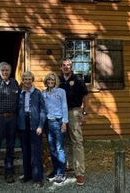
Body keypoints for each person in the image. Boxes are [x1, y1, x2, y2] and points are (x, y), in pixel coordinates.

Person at [59, 58, 90, 186]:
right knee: (65, 142)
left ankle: (80, 173)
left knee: (77, 142)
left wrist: (84, 113)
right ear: (61, 67)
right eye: (64, 65)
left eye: (68, 65)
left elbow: (86, 96)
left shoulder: (78, 79)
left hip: (74, 112)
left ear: (71, 67)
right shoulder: (58, 80)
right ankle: (69, 165)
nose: (66, 67)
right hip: (61, 115)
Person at [17, 71, 46, 188]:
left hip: (35, 125)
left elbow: (43, 110)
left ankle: (37, 177)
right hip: (23, 125)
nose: (27, 81)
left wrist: (40, 126)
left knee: (36, 152)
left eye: (29, 79)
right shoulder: (19, 93)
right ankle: (27, 174)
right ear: (22, 81)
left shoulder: (38, 93)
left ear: (32, 80)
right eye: (25, 79)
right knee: (25, 151)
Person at [42, 72, 68, 185]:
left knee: (59, 149)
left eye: (52, 80)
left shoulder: (61, 92)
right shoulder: (43, 93)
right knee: (52, 149)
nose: (50, 82)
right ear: (46, 81)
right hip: (48, 123)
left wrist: (64, 122)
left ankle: (61, 173)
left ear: (55, 81)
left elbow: (64, 106)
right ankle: (56, 170)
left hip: (58, 122)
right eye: (49, 80)